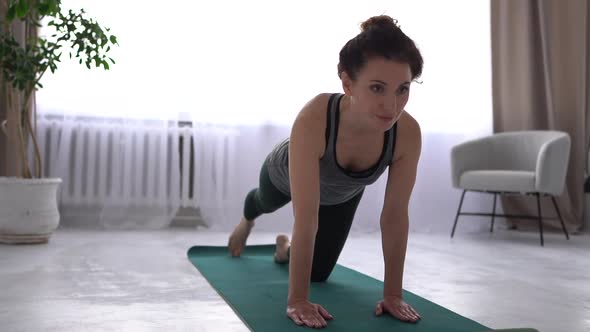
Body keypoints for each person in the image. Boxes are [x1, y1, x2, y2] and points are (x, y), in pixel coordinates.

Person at [228, 14, 423, 329]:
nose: (392, 105)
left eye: (402, 89)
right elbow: (306, 218)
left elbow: (395, 216)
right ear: (348, 83)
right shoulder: (315, 116)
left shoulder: (407, 133)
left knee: (318, 273)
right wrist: (297, 301)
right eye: (377, 88)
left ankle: (283, 249)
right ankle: (246, 220)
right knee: (265, 201)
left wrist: (393, 295)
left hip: (341, 193)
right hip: (283, 174)